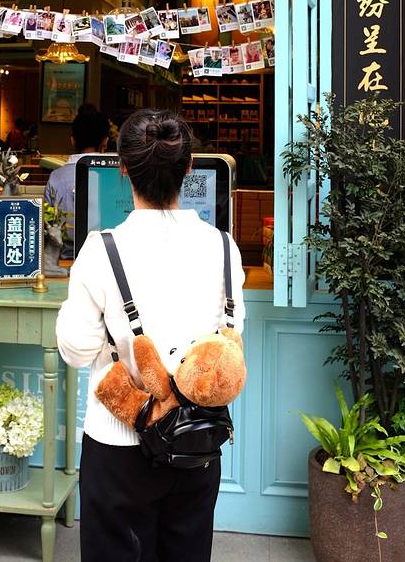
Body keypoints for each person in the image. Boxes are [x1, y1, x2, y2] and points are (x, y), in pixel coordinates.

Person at [56, 110, 245, 562]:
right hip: (196, 440)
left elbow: (76, 350)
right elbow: (231, 338)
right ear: (189, 167)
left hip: (117, 443)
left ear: (122, 168)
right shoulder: (224, 247)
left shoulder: (100, 250)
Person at [43, 103, 110, 259]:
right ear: (105, 141)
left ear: (72, 141)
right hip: (106, 259)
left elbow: (48, 225)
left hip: (65, 259)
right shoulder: (115, 175)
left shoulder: (56, 177)